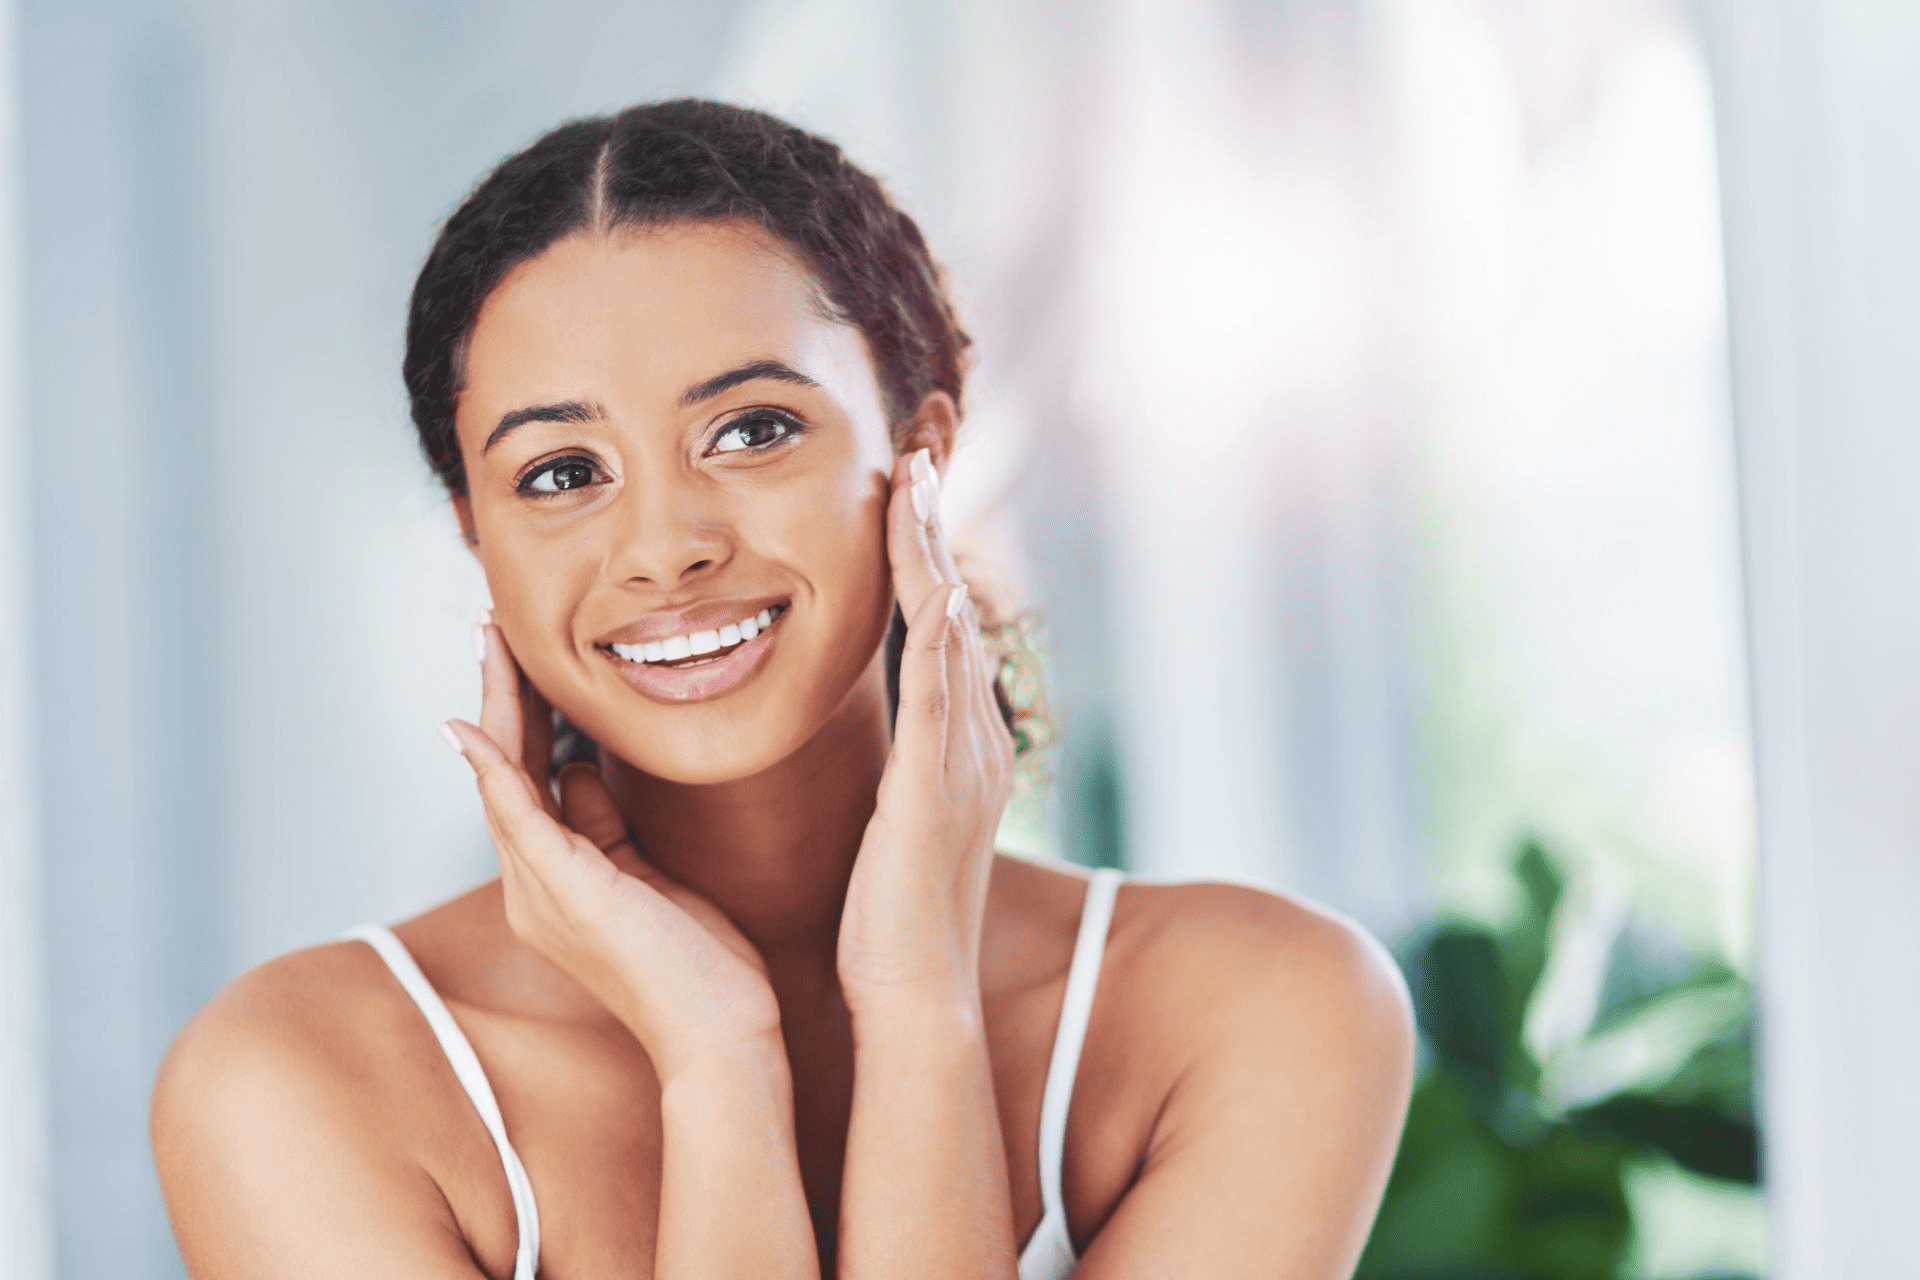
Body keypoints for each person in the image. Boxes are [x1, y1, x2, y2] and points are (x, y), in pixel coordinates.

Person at [150, 99, 1415, 1279]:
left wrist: (922, 1011)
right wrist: (716, 1061)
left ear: (920, 450)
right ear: (477, 532)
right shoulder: (298, 1080)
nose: (661, 545)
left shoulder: (1266, 1012)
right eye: (558, 472)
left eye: (751, 429)